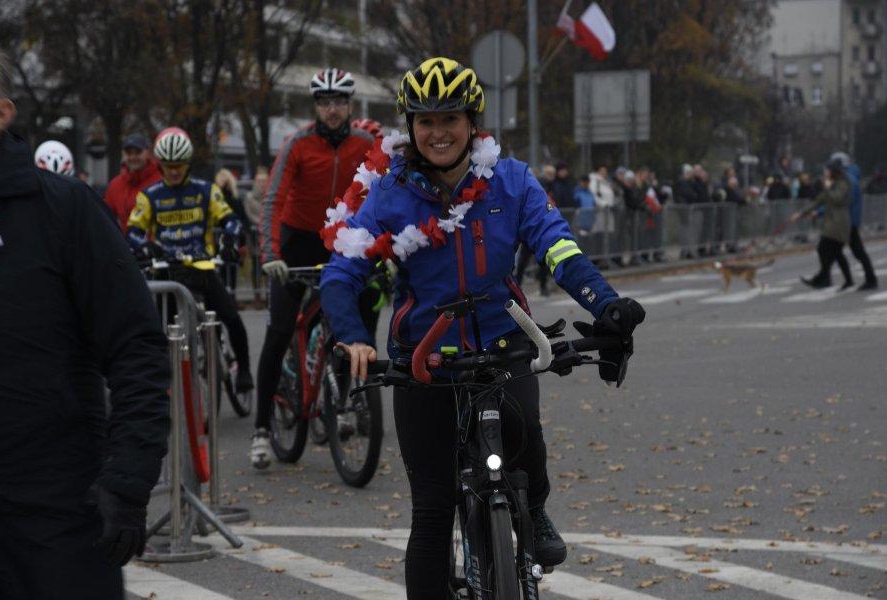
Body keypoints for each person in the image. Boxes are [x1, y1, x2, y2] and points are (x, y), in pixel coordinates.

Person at [319, 57, 646, 598]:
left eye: (450, 118)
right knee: (431, 508)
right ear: (411, 127)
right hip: (423, 360)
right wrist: (352, 335)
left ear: (474, 122)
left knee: (527, 440)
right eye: (425, 120)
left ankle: (534, 511)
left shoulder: (511, 182)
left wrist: (605, 303)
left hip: (503, 344)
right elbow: (342, 272)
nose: (438, 132)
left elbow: (559, 247)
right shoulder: (389, 193)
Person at [0, 42, 169, 599]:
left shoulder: (63, 209)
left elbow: (137, 345)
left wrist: (129, 479)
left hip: (54, 511)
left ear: (1, 113)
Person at [252, 68, 377, 469]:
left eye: (340, 101)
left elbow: (383, 193)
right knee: (281, 328)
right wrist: (271, 254)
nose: (333, 109)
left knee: (344, 323)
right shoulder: (298, 144)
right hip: (296, 240)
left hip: (339, 238)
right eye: (325, 102)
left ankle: (341, 405)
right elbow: (273, 199)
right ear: (316, 107)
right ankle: (259, 429)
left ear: (350, 105)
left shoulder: (364, 142)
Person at [126, 126, 255, 392]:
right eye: (169, 165)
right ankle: (162, 388)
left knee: (232, 318)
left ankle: (243, 370)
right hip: (168, 275)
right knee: (158, 333)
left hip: (203, 270)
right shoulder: (149, 196)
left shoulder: (206, 190)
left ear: (188, 163)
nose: (174, 171)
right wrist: (147, 246)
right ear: (160, 164)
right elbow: (133, 232)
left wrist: (229, 240)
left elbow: (231, 221)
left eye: (180, 165)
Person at [793, 157, 853, 290]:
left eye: (827, 170)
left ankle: (823, 278)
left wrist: (827, 188)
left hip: (838, 223)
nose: (825, 172)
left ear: (833, 171)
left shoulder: (843, 183)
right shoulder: (833, 184)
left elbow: (836, 198)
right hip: (832, 223)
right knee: (834, 253)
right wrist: (801, 213)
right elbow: (818, 200)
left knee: (825, 249)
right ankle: (833, 278)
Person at [832, 152, 878, 290]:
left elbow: (844, 200)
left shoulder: (848, 180)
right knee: (852, 251)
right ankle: (861, 279)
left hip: (848, 222)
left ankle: (866, 279)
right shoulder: (849, 178)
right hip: (848, 221)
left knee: (853, 251)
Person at [103, 133, 163, 232]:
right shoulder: (115, 185)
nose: (133, 157)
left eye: (138, 152)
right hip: (125, 245)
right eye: (129, 153)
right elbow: (106, 220)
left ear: (147, 152)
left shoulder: (160, 180)